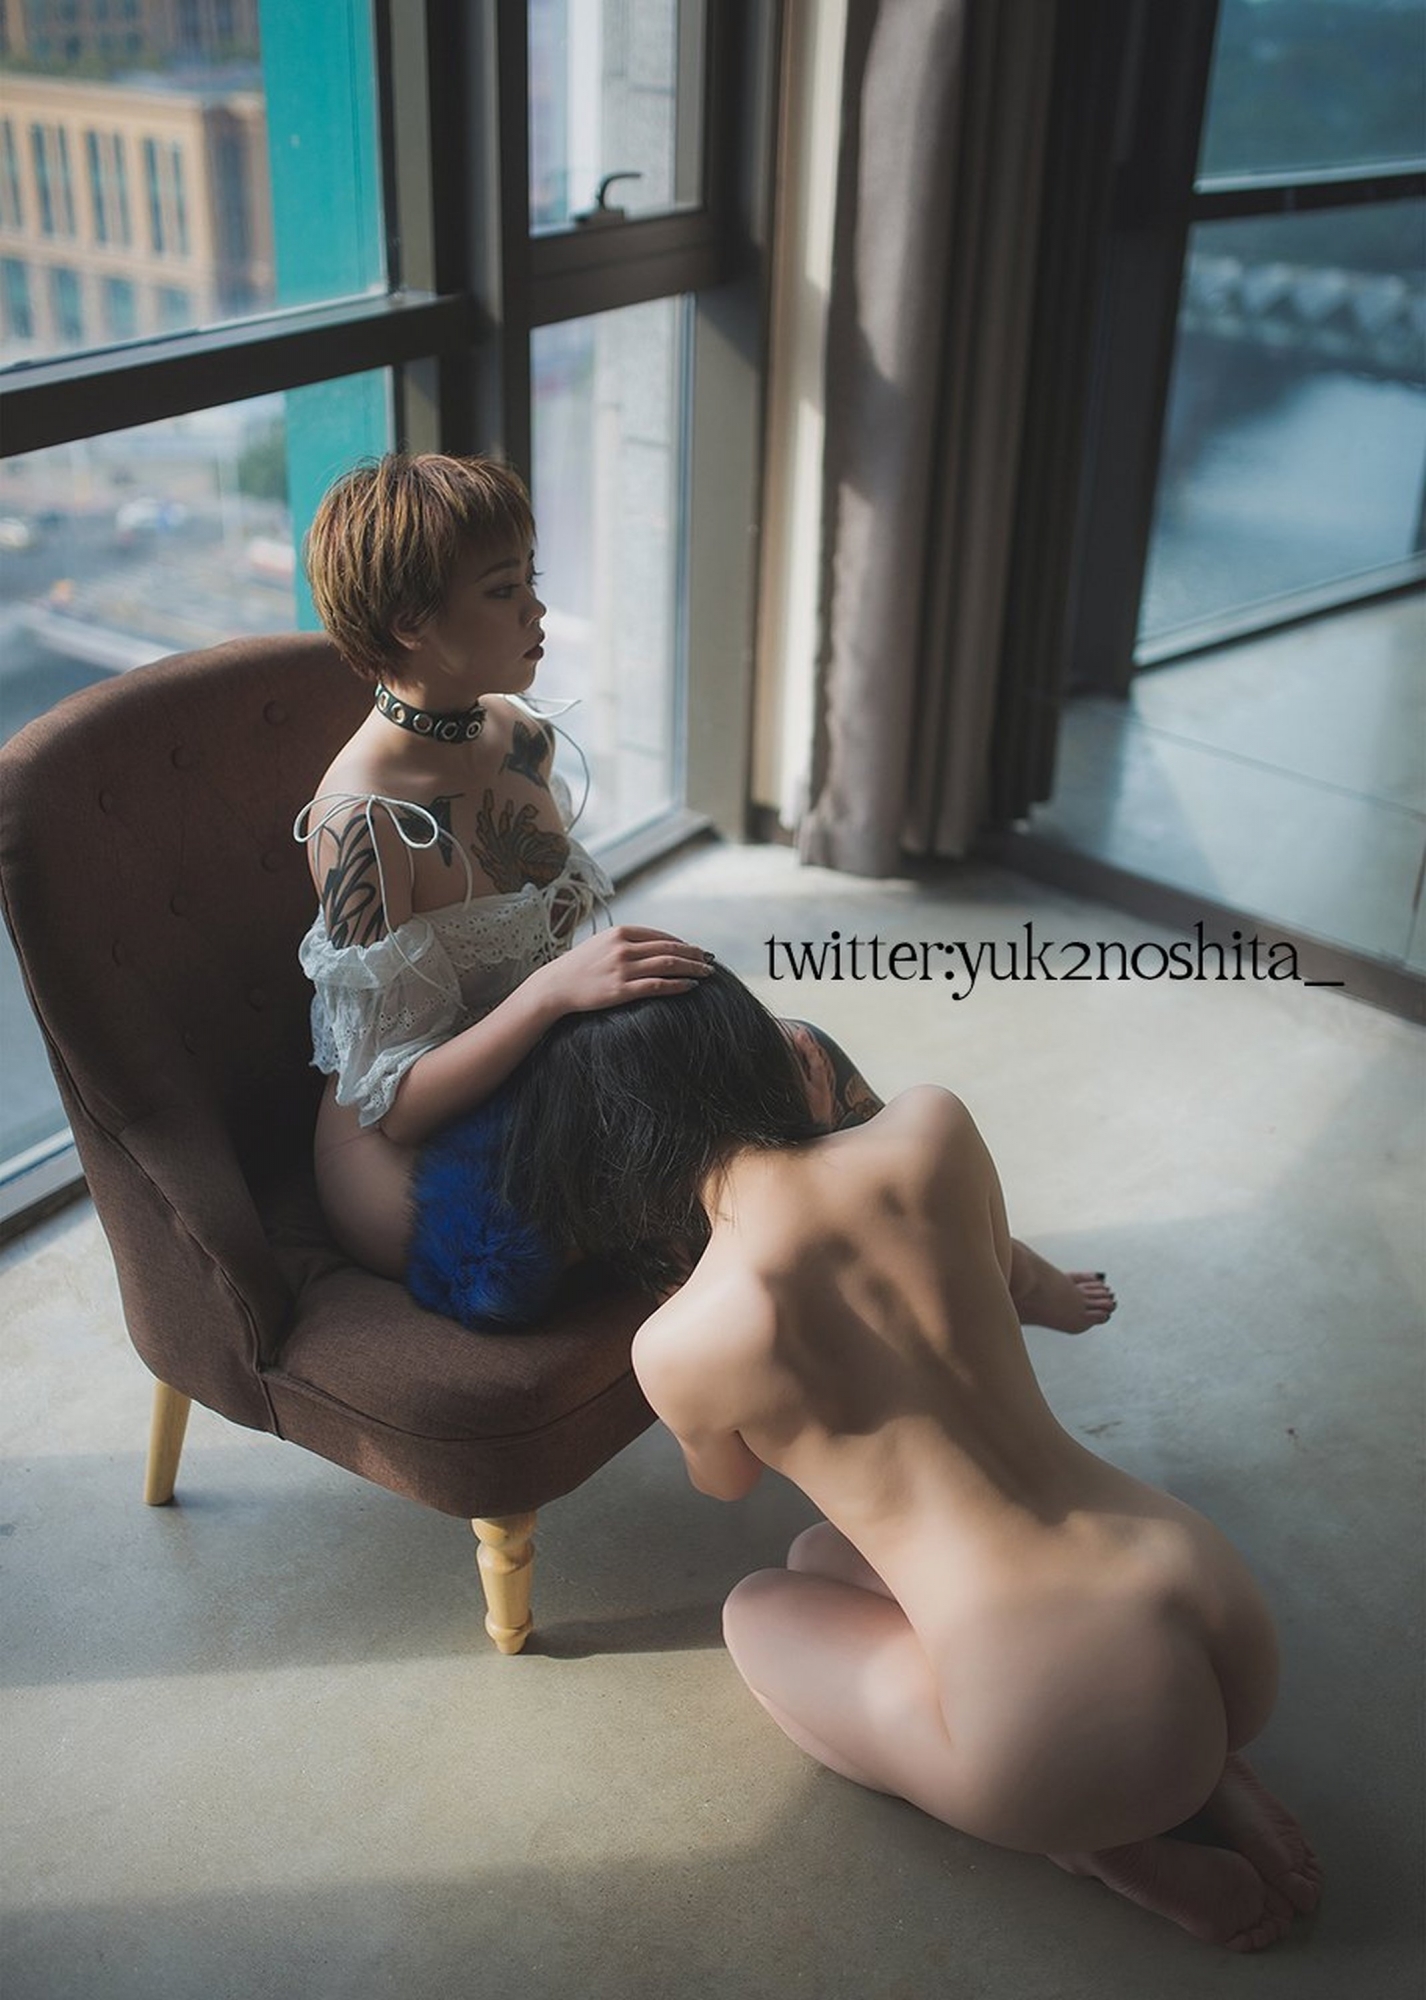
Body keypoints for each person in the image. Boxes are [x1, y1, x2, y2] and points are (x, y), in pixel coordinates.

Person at [497, 966, 1322, 1954]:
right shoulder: (933, 1128)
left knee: (757, 1607)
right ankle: (1202, 1760)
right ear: (778, 1050)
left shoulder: (684, 1342)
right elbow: (1001, 1271)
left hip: (1053, 1725)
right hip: (1214, 1602)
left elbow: (726, 1481)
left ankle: (1102, 1841)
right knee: (820, 1555)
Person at [293, 451, 714, 1314]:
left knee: (786, 1067)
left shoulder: (522, 735)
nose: (537, 609)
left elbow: (551, 947)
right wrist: (555, 995)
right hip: (402, 1161)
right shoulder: (362, 822)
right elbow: (396, 1107)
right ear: (411, 622)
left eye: (533, 577)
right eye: (502, 589)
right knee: (714, 1190)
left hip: (535, 1077)